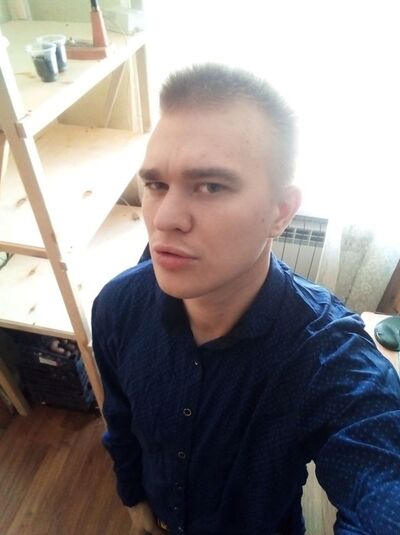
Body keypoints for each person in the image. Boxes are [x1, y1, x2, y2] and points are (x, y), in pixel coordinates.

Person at [91, 64, 400, 535]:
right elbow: (120, 419)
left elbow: (382, 486)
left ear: (280, 212)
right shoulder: (117, 307)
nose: (165, 218)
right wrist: (133, 499)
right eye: (156, 185)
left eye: (211, 186)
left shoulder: (327, 358)